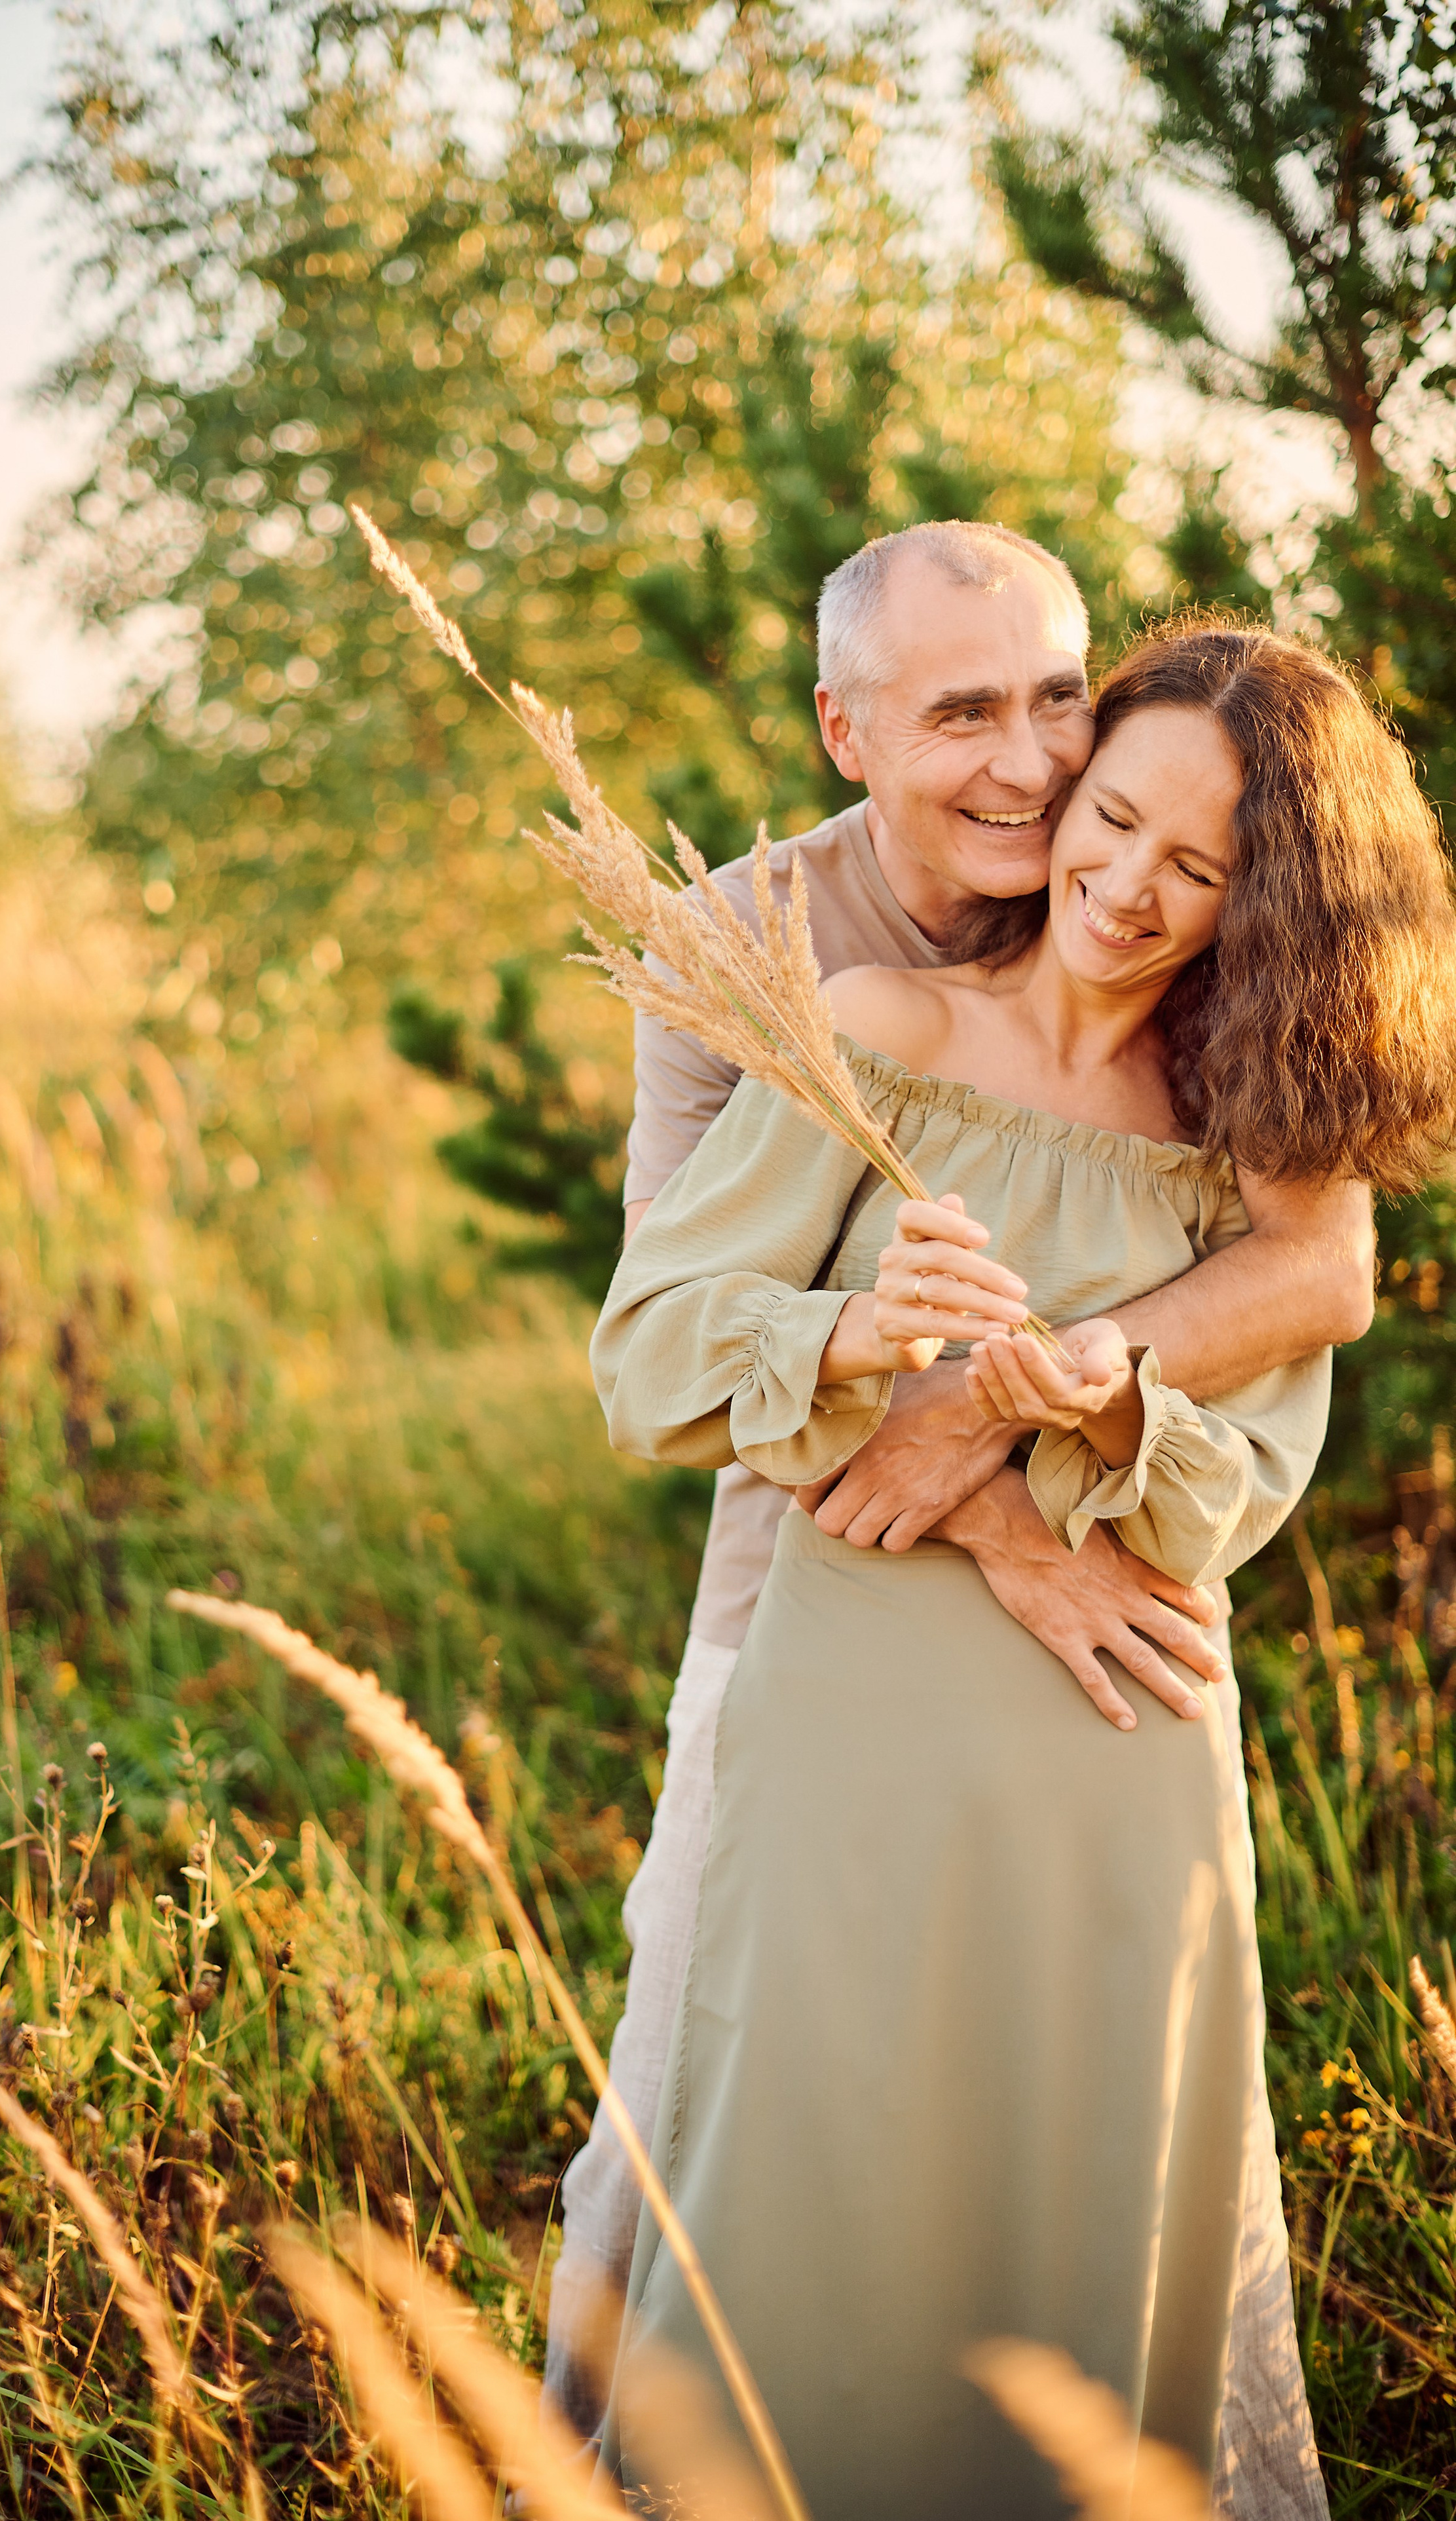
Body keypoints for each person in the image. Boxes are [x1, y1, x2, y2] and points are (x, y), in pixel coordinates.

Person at [544, 527, 1377, 2518]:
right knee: (710, 2136)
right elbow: (670, 1341)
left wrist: (1040, 1395)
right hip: (811, 1616)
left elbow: (1311, 1297)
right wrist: (939, 1439)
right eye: (964, 718)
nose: (1034, 778)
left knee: (1084, 2190)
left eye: (1054, 705)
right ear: (850, 733)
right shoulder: (776, 967)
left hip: (1116, 1697)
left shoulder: (1232, 1070)